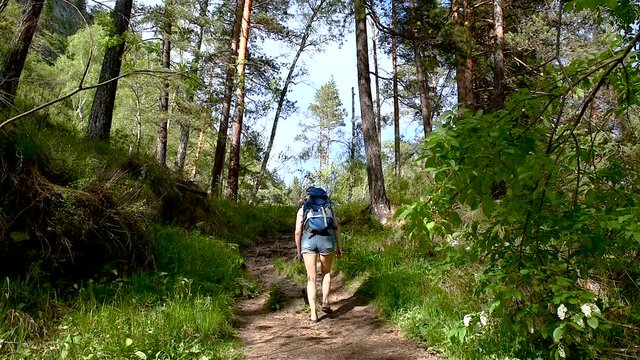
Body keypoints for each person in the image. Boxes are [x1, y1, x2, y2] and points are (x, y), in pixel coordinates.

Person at [294, 187, 342, 322]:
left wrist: (299, 251)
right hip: (327, 240)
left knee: (311, 278)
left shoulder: (303, 209)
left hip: (308, 241)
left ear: (310, 197)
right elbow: (336, 228)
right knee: (326, 272)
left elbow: (298, 232)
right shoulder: (330, 208)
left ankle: (314, 314)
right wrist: (339, 247)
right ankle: (325, 301)